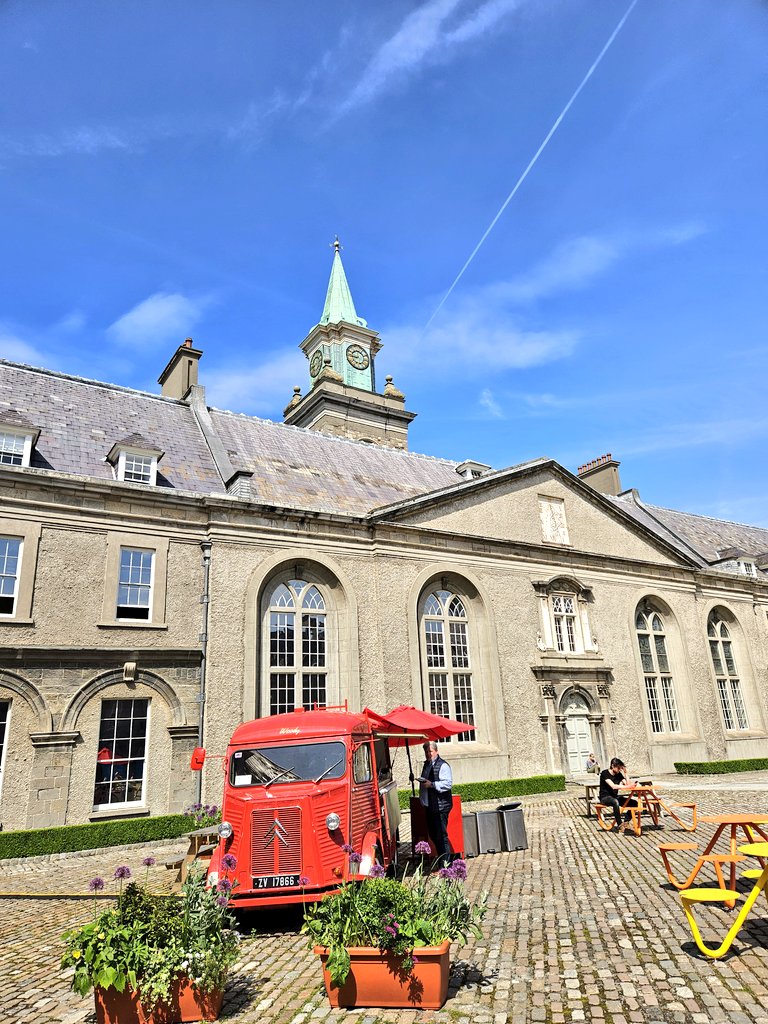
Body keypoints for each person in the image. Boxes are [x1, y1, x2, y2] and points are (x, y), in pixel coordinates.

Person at [418, 740, 453, 866]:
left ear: (436, 751)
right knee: (434, 835)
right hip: (430, 806)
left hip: (440, 806)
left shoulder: (443, 765)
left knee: (441, 836)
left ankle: (446, 864)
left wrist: (432, 784)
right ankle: (441, 861)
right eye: (426, 752)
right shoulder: (426, 765)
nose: (428, 754)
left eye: (430, 751)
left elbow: (448, 784)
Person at [598, 757, 638, 831]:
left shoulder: (618, 774)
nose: (619, 769)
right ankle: (620, 825)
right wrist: (627, 786)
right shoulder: (604, 773)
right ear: (613, 766)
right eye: (618, 768)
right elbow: (613, 786)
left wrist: (626, 773)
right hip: (604, 797)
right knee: (615, 801)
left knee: (634, 803)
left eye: (620, 768)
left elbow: (627, 784)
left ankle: (626, 822)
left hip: (614, 797)